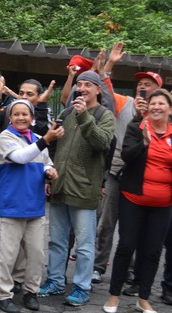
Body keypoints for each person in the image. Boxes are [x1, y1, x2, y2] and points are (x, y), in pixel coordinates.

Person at [39, 71, 115, 307]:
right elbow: (52, 147)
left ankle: (82, 287)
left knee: (83, 244)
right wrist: (49, 178)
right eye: (79, 84)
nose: (82, 88)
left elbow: (101, 142)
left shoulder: (105, 115)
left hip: (84, 187)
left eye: (88, 85)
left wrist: (84, 116)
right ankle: (55, 281)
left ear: (97, 90)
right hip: (60, 183)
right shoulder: (66, 113)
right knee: (57, 240)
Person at [93, 41, 162, 285]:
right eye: (140, 84)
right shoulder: (124, 102)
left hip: (145, 176)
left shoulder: (163, 112)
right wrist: (110, 62)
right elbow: (103, 85)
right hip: (117, 171)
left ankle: (130, 269)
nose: (143, 87)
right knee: (107, 223)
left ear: (159, 91)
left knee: (133, 226)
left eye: (149, 84)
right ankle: (99, 266)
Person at [103, 89, 172, 313]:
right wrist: (144, 143)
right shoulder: (137, 128)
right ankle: (114, 295)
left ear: (169, 109)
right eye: (153, 103)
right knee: (126, 246)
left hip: (163, 203)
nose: (156, 107)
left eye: (162, 104)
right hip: (133, 198)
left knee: (152, 251)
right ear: (148, 107)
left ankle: (143, 299)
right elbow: (127, 156)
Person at [0, 100, 62, 313]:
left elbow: (46, 162)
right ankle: (4, 295)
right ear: (11, 117)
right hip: (11, 205)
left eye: (25, 114)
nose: (21, 117)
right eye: (17, 114)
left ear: (32, 118)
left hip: (35, 205)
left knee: (35, 254)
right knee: (7, 255)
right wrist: (47, 141)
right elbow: (20, 158)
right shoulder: (5, 137)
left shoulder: (38, 139)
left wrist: (50, 171)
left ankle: (30, 292)